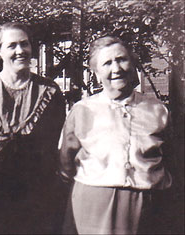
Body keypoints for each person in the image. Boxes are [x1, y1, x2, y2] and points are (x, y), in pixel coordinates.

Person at [59, 36, 173, 234]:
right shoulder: (82, 110)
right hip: (94, 202)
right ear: (96, 73)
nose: (116, 69)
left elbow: (172, 156)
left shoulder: (157, 110)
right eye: (107, 63)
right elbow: (65, 162)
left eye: (121, 59)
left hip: (148, 203)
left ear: (133, 64)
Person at [0, 22, 66, 234]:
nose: (20, 51)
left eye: (24, 44)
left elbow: (58, 140)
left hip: (36, 190)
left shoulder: (50, 91)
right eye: (12, 46)